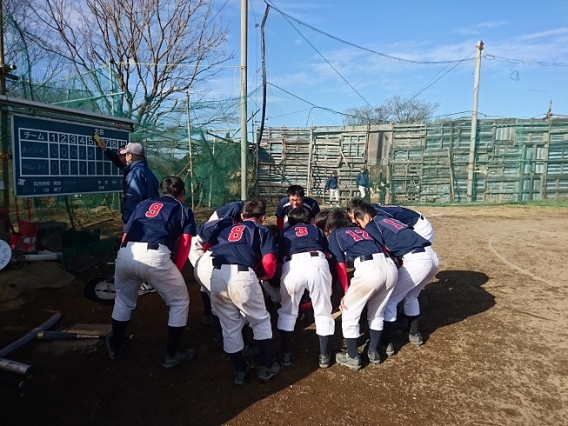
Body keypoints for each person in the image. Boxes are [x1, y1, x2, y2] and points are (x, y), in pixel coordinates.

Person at [106, 176, 197, 369]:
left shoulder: (144, 204)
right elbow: (186, 242)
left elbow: (125, 233)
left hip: (126, 252)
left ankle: (115, 345)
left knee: (123, 300)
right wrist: (177, 269)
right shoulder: (183, 209)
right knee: (179, 302)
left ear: (160, 192)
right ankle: (172, 354)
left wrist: (122, 256)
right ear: (182, 193)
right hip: (155, 255)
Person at [350, 202, 439, 356]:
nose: (358, 225)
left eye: (358, 221)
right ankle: (414, 333)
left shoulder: (372, 225)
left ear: (366, 216)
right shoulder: (386, 220)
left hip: (417, 261)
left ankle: (385, 343)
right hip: (432, 257)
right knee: (411, 296)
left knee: (390, 300)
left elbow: (381, 248)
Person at [209, 198, 281, 385]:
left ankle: (240, 370)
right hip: (241, 275)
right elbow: (269, 261)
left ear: (242, 215)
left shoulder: (225, 228)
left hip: (216, 275)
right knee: (260, 320)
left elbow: (208, 244)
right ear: (263, 218)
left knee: (230, 326)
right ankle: (265, 367)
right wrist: (265, 276)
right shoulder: (261, 229)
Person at [326, 209, 398, 370]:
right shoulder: (363, 230)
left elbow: (340, 265)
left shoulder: (336, 234)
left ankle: (352, 356)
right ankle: (373, 351)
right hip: (389, 266)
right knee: (377, 313)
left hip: (369, 269)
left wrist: (346, 292)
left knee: (349, 313)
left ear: (331, 225)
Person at [97, 139, 160, 296]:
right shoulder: (144, 171)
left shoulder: (136, 174)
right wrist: (106, 151)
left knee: (135, 251)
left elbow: (133, 200)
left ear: (131, 156)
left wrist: (127, 221)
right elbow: (121, 164)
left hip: (138, 220)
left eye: (124, 154)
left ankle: (145, 282)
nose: (122, 157)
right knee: (142, 251)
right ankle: (144, 279)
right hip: (148, 220)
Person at [276, 207, 334, 369]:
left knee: (288, 311)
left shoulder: (284, 232)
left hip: (292, 264)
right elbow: (327, 252)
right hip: (317, 262)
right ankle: (324, 355)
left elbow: (279, 256)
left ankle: (286, 354)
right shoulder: (316, 230)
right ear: (310, 220)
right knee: (323, 310)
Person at [348, 199, 435, 243]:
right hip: (413, 224)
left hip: (419, 227)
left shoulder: (379, 214)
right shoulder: (373, 211)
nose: (353, 220)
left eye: (353, 217)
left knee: (414, 256)